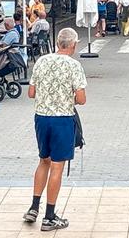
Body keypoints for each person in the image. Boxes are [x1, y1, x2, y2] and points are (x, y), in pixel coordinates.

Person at [23, 28, 87, 231]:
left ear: (58, 43)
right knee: (57, 166)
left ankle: (34, 206)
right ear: (74, 45)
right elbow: (81, 99)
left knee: (44, 161)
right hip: (62, 119)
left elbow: (31, 92)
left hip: (41, 117)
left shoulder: (42, 61)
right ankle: (49, 216)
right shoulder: (74, 65)